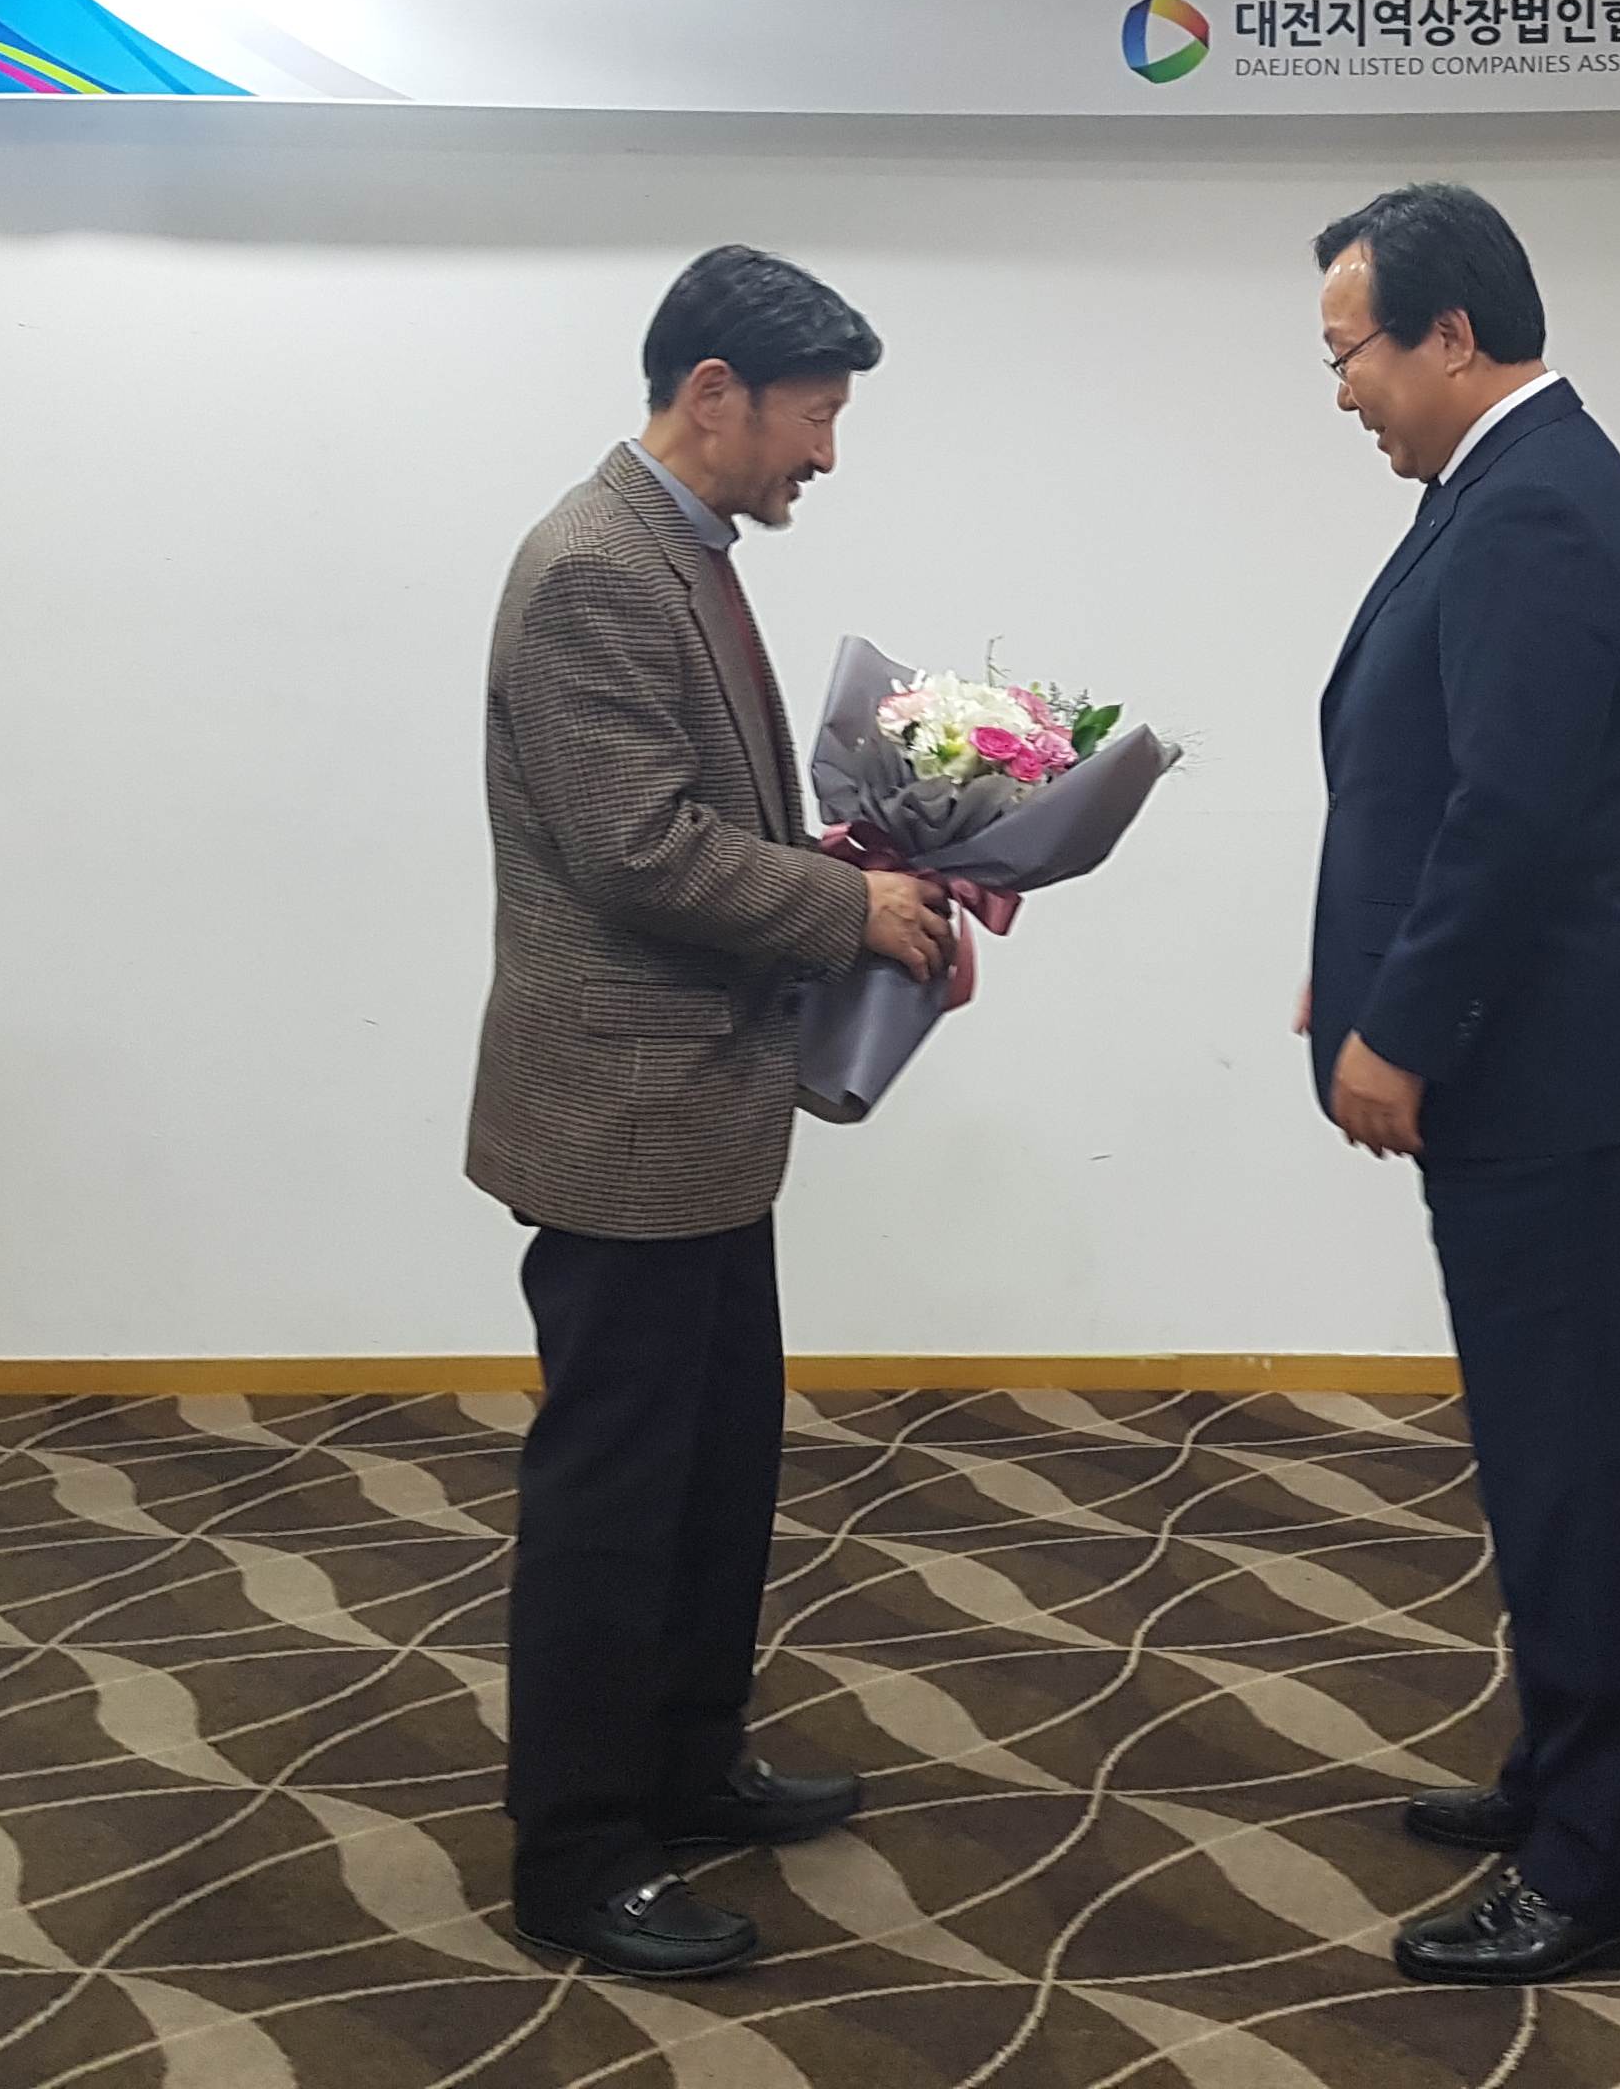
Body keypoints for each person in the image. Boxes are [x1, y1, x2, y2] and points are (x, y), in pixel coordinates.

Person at [467, 246, 952, 1980]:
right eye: (815, 414)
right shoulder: (595, 567)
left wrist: (870, 865)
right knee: (614, 1496)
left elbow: (706, 817)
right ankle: (579, 1851)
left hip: (704, 1111)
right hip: (626, 1118)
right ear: (715, 390)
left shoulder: (682, 551)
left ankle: (683, 1760)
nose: (825, 450)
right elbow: (639, 849)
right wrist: (850, 910)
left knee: (715, 1466)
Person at [1298, 184, 1620, 1986]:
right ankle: (1562, 1774)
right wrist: (1350, 969)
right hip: (1542, 1053)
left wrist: (1401, 1027)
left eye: (1350, 354)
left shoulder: (1536, 501)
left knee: (1566, 1471)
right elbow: (1424, 777)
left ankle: (1601, 1871)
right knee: (1542, 1449)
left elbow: (1511, 814)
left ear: (1452, 336)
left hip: (1550, 1068)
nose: (1342, 391)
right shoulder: (1499, 483)